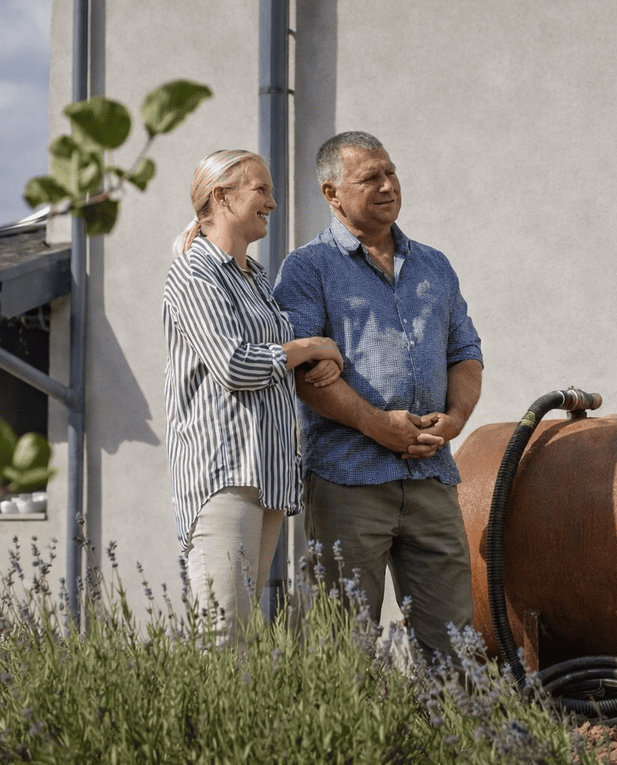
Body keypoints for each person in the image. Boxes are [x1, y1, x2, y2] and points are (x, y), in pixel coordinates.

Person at [272, 131, 483, 662]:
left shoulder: (435, 265)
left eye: (390, 173)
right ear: (332, 193)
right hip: (348, 480)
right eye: (370, 178)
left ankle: (450, 743)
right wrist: (375, 424)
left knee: (453, 642)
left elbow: (466, 351)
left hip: (431, 475)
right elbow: (302, 372)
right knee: (344, 646)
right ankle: (349, 748)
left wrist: (455, 419)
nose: (388, 185)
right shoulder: (307, 269)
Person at [164, 149, 343, 645]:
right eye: (261, 190)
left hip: (267, 474)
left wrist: (317, 355)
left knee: (241, 635)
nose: (272, 201)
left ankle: (232, 725)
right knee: (221, 637)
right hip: (223, 472)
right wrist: (310, 346)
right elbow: (235, 364)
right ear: (221, 196)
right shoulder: (193, 273)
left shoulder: (257, 278)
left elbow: (278, 353)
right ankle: (203, 727)